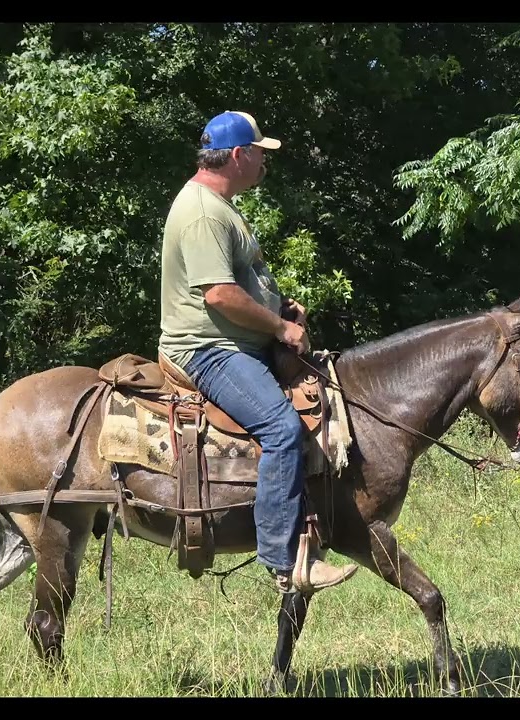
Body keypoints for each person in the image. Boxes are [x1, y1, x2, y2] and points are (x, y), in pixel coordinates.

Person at [157, 110, 358, 594]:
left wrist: (278, 305)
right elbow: (219, 295)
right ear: (239, 155)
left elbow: (240, 282)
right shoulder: (205, 212)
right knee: (282, 429)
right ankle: (283, 560)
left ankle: (314, 530)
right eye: (261, 153)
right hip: (207, 349)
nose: (266, 163)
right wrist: (281, 329)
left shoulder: (219, 204)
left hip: (234, 341)